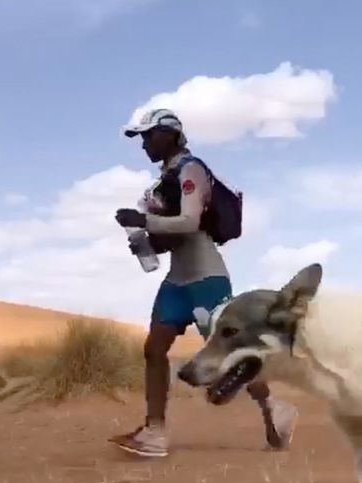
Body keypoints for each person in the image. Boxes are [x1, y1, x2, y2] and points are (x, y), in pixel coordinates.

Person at [110, 107, 298, 457]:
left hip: (206, 280)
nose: (144, 144)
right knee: (153, 350)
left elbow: (189, 222)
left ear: (171, 135)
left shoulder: (191, 170)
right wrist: (145, 240)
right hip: (176, 281)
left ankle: (273, 407)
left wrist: (145, 220)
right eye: (142, 138)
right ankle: (155, 432)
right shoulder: (162, 183)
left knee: (228, 353)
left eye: (149, 136)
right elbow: (171, 236)